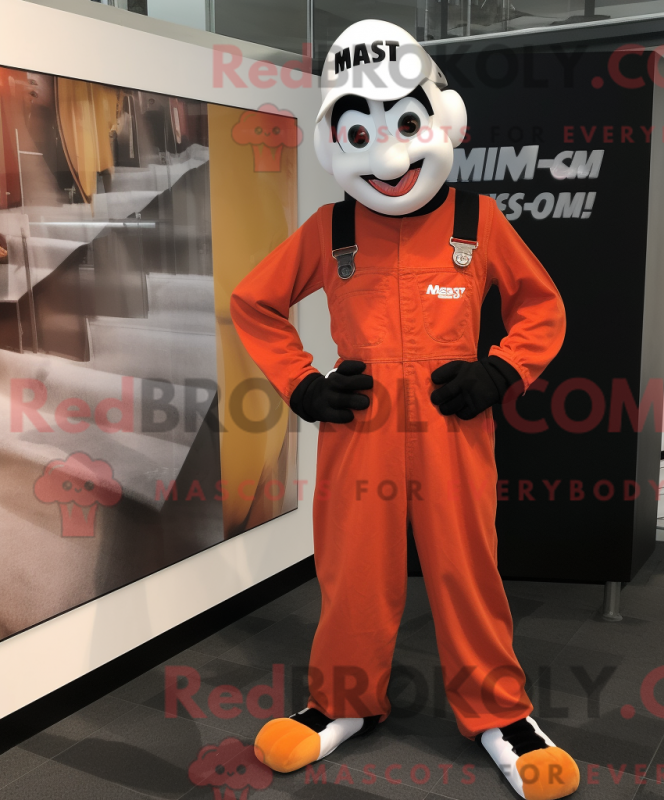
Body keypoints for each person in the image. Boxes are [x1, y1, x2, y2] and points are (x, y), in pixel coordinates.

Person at [230, 20, 577, 800]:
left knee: (468, 572)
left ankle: (501, 713)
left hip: (455, 429)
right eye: (361, 133)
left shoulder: (476, 223)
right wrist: (303, 384)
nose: (388, 156)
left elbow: (541, 309)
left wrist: (501, 371)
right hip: (360, 433)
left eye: (404, 124)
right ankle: (342, 700)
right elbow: (254, 303)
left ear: (439, 120)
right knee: (353, 572)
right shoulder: (331, 229)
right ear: (336, 141)